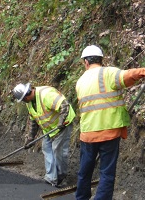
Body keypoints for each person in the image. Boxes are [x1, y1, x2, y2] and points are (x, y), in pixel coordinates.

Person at [75, 45, 145, 199]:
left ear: (85, 62)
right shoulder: (108, 73)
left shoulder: (80, 82)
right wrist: (143, 72)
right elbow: (128, 76)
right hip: (109, 132)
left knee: (84, 171)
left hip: (88, 134)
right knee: (106, 172)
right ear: (101, 59)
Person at [12, 82, 76, 187]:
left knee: (58, 151)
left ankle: (60, 176)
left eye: (23, 99)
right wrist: (30, 138)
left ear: (26, 95)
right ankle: (51, 178)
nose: (24, 102)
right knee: (46, 148)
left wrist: (61, 122)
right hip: (48, 129)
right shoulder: (30, 103)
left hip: (62, 125)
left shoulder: (46, 94)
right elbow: (34, 120)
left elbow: (64, 105)